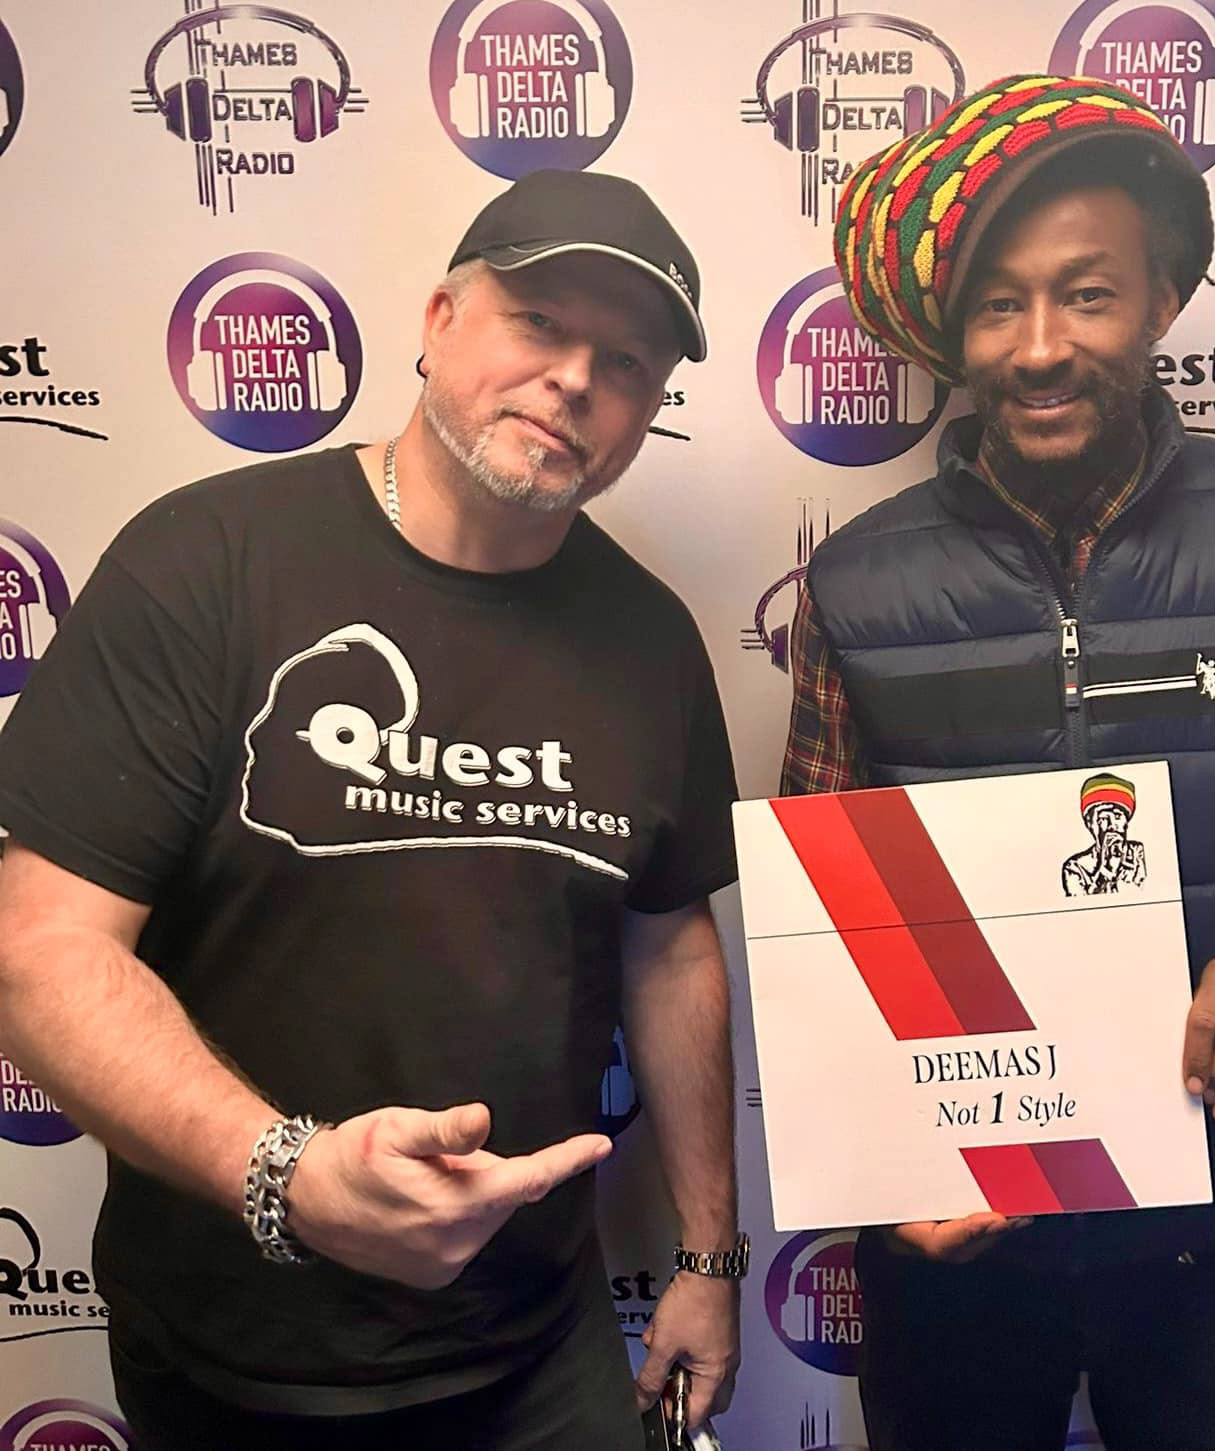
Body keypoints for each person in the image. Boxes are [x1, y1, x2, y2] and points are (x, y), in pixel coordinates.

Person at [0, 169, 746, 1450]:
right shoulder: (207, 562)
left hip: (539, 1344)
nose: (576, 377)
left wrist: (711, 1256)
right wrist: (287, 1173)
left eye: (626, 361)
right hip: (240, 1351)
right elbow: (41, 944)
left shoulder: (652, 640)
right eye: (540, 321)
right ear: (441, 319)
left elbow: (668, 946)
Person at [784, 74, 1215, 1450]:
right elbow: (829, 906)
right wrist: (889, 1161)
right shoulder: (854, 586)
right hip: (957, 1242)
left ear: (1163, 302)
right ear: (952, 328)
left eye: (1086, 295)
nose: (1038, 347)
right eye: (996, 304)